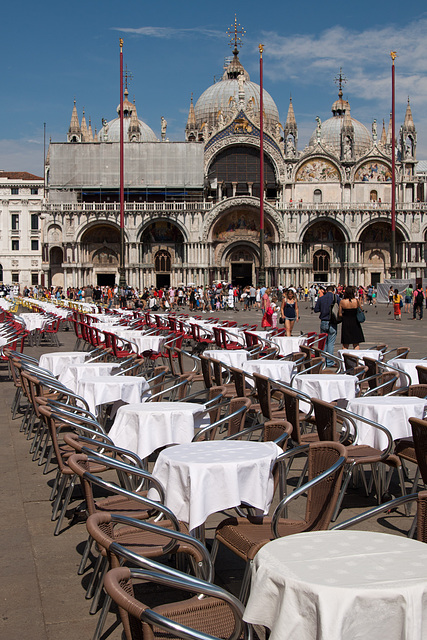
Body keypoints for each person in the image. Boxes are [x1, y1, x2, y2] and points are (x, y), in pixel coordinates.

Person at [314, 285, 339, 366]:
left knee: (324, 342)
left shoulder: (321, 298)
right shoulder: (336, 298)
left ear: (326, 291)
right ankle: (330, 362)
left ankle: (323, 361)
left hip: (324, 321)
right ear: (333, 291)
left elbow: (316, 309)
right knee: (331, 342)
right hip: (333, 322)